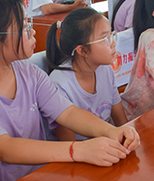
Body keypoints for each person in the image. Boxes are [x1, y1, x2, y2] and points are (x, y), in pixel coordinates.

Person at [0, 0, 139, 181]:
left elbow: (68, 113)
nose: (33, 32)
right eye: (24, 27)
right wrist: (78, 150)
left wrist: (112, 132)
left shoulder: (28, 71)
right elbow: (3, 148)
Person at [46, 8, 128, 141]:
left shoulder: (105, 70)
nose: (113, 43)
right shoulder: (59, 85)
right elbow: (70, 146)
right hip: (80, 151)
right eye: (105, 38)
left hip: (105, 146)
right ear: (82, 50)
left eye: (111, 35)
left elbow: (122, 123)